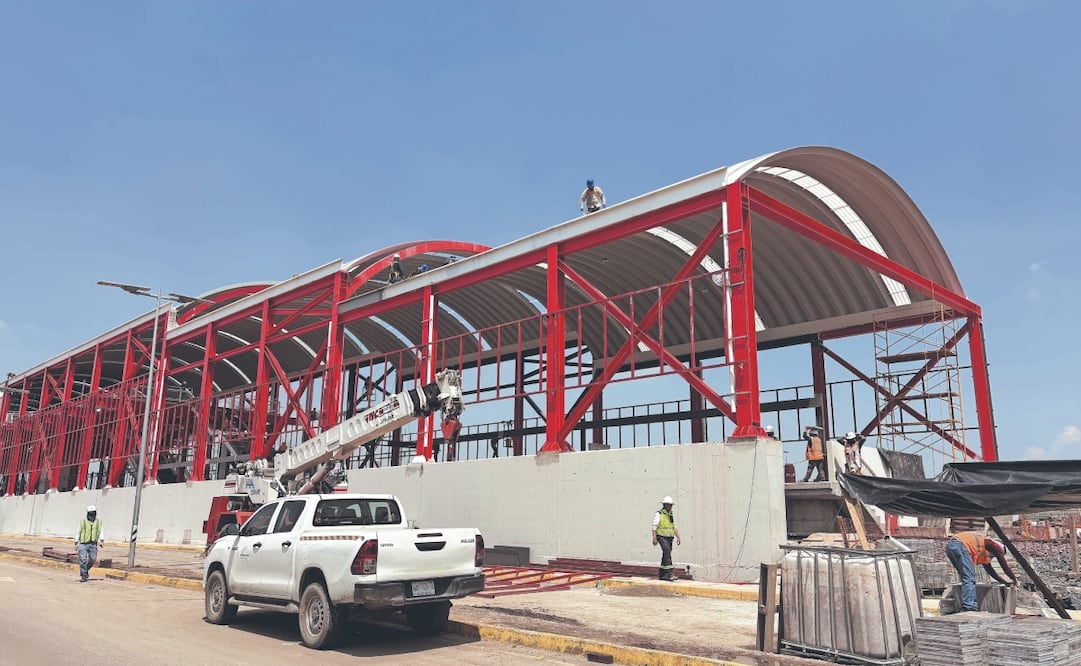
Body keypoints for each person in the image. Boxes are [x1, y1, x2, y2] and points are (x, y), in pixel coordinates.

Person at [945, 531, 1017, 612]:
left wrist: (1004, 582)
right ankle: (969, 606)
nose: (992, 557)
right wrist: (1013, 579)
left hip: (951, 547)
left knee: (966, 577)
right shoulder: (995, 545)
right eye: (994, 555)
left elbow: (990, 571)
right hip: (960, 545)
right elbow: (1004, 564)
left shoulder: (982, 549)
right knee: (969, 579)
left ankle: (967, 604)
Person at [651, 496, 682, 581]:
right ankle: (670, 574)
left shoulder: (670, 514)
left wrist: (678, 537)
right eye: (669, 505)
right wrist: (654, 538)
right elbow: (654, 526)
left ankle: (662, 574)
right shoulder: (659, 514)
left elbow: (673, 526)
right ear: (664, 505)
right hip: (661, 536)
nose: (670, 506)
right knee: (667, 551)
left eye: (671, 505)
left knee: (666, 554)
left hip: (670, 537)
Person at [74, 504, 105, 582]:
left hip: (93, 544)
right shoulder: (83, 522)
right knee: (83, 560)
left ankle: (85, 570)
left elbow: (101, 531)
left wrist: (101, 540)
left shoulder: (99, 522)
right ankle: (84, 575)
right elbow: (78, 532)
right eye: (90, 513)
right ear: (87, 513)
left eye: (93, 513)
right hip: (83, 544)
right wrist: (76, 542)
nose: (92, 515)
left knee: (93, 559)